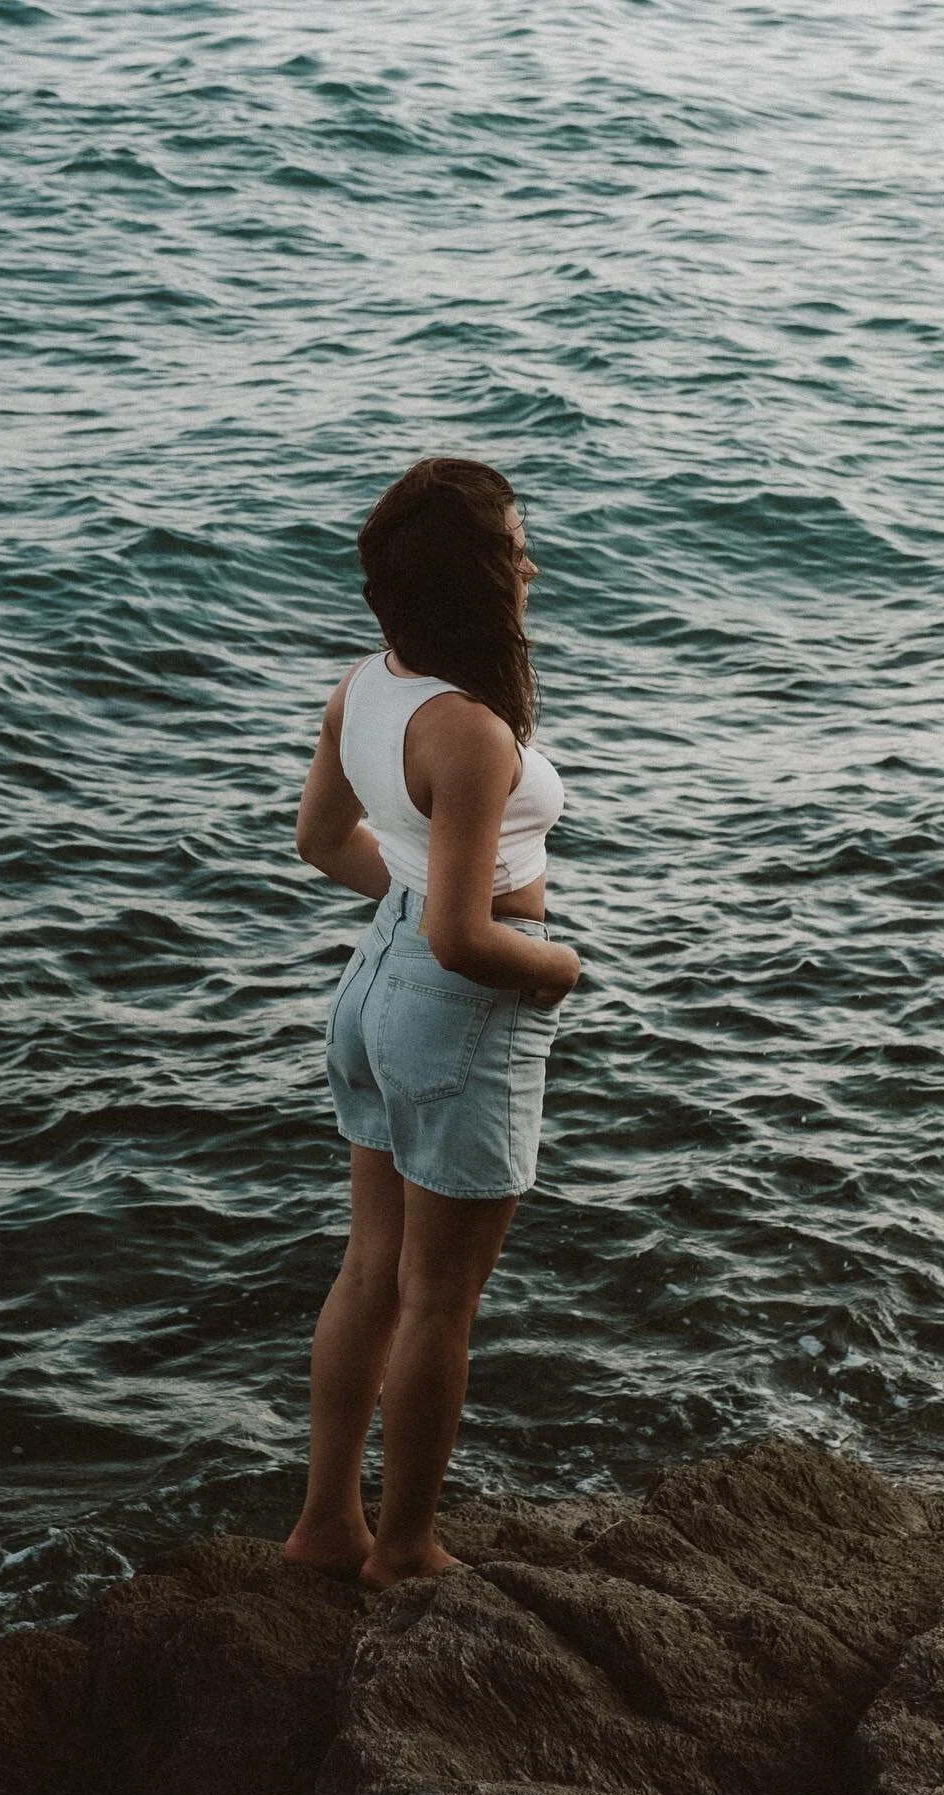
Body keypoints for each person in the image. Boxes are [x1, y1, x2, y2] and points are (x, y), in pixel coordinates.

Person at [283, 457, 580, 1589]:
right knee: (440, 1298)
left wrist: (410, 895)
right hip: (458, 1007)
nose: (530, 561)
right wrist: (557, 965)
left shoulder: (367, 685)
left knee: (372, 1268)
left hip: (372, 990)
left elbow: (319, 844)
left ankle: (326, 1522)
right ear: (477, 578)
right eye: (514, 545)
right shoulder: (468, 733)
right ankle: (403, 1549)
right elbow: (466, 937)